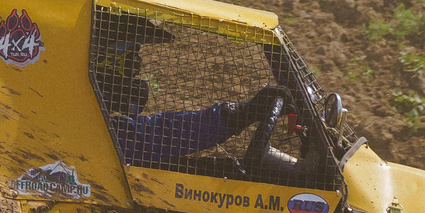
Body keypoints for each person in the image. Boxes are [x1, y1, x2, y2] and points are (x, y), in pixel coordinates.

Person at [88, 36, 286, 168]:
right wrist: (238, 115)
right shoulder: (86, 126)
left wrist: (239, 115)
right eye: (128, 65)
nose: (136, 76)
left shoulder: (84, 115)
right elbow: (152, 139)